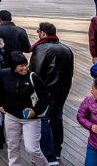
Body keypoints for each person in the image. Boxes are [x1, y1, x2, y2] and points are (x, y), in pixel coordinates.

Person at [30, 22, 74, 166]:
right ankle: (56, 150)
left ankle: (47, 154)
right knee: (57, 119)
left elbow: (36, 72)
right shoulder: (66, 49)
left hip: (46, 91)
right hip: (62, 91)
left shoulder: (41, 48)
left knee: (44, 121)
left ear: (42, 33)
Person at [0, 52, 50, 166]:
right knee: (12, 146)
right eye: (21, 66)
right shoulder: (4, 74)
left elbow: (45, 97)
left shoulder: (33, 77)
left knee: (32, 149)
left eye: (25, 64)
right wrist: (1, 104)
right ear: (13, 67)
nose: (25, 68)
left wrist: (35, 111)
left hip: (31, 119)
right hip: (11, 116)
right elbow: (0, 90)